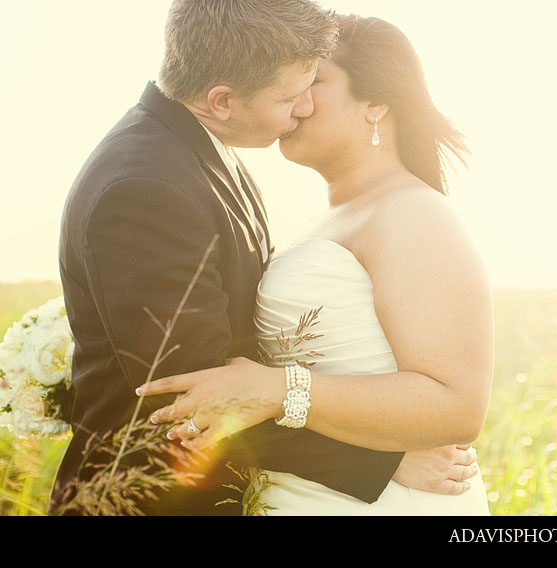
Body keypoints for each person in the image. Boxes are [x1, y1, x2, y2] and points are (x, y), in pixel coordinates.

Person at [53, 0, 476, 516]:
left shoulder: (211, 158)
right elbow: (188, 394)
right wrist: (378, 460)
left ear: (376, 104)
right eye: (293, 93)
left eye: (312, 87)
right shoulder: (147, 184)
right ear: (224, 100)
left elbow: (453, 398)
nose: (300, 108)